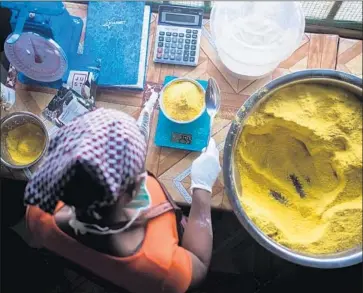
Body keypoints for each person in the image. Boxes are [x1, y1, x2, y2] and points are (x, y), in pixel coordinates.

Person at [25, 108, 221, 293]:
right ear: (136, 191)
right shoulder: (163, 267)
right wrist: (202, 188)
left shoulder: (38, 212)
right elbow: (200, 265)